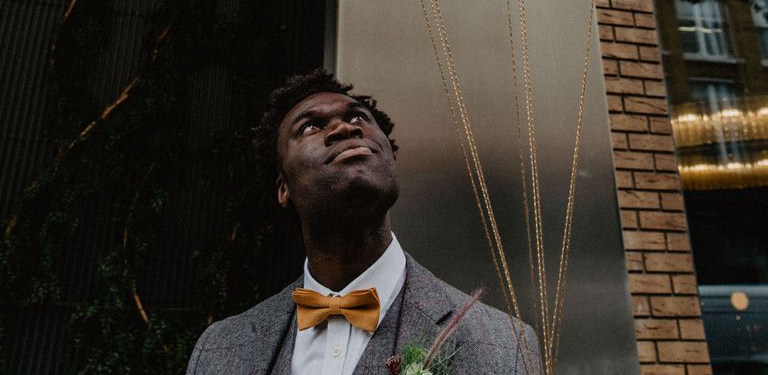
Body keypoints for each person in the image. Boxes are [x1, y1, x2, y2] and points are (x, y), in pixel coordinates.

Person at [186, 69, 539, 374]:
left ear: (389, 157)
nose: (343, 127)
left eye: (358, 119)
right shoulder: (218, 350)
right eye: (310, 126)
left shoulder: (505, 345)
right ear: (283, 189)